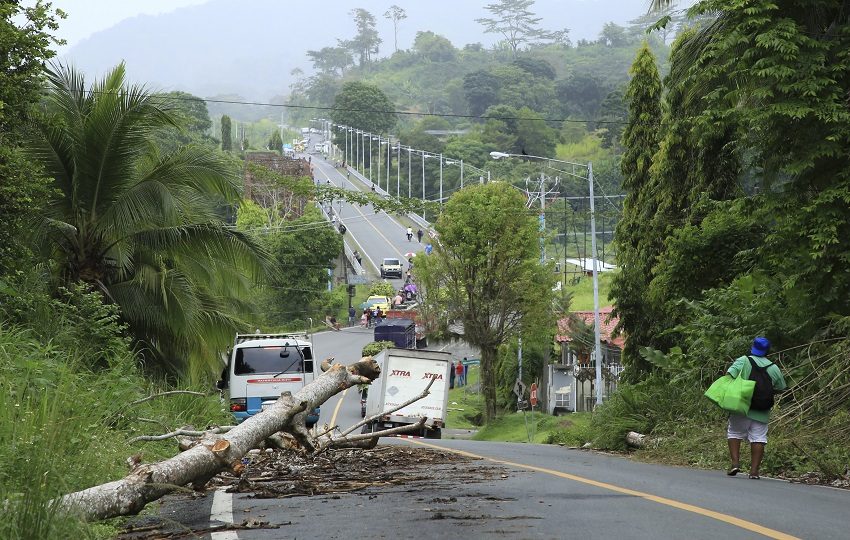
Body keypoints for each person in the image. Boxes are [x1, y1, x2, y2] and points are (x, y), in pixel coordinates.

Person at [725, 337, 786, 479]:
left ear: (753, 347)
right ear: (767, 350)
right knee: (758, 438)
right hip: (762, 408)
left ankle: (735, 464)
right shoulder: (773, 367)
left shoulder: (743, 360)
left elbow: (730, 374)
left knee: (734, 432)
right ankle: (754, 472)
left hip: (741, 405)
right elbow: (781, 387)